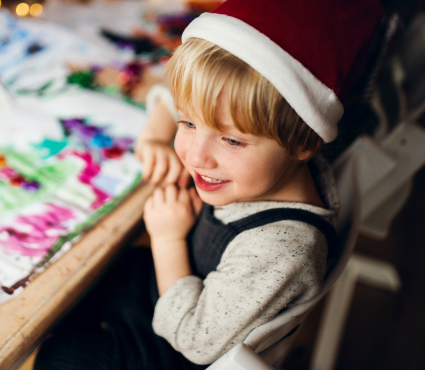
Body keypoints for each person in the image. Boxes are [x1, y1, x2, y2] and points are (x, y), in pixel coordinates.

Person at [32, 0, 383, 369]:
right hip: (160, 290)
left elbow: (195, 340)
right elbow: (178, 96)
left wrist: (167, 238)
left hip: (169, 348)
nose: (196, 156)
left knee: (60, 355)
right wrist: (155, 136)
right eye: (188, 123)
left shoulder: (283, 250)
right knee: (72, 289)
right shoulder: (276, 155)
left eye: (232, 141)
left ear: (304, 143)